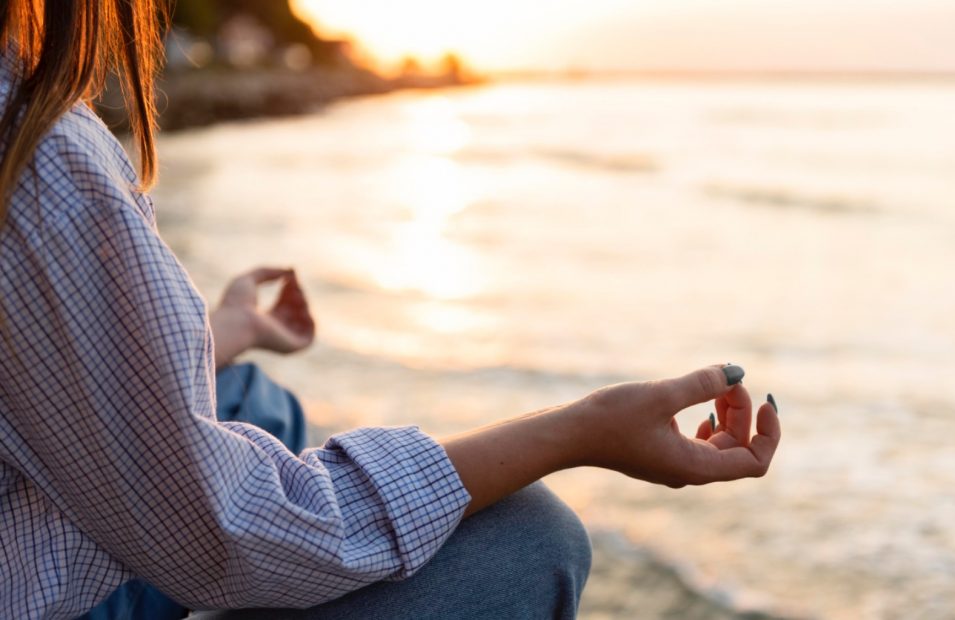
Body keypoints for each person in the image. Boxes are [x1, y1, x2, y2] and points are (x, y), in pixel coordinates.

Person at [0, 2, 782, 619]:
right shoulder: (37, 152)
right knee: (526, 537)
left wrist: (230, 330)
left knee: (251, 401)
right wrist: (579, 430)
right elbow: (226, 528)